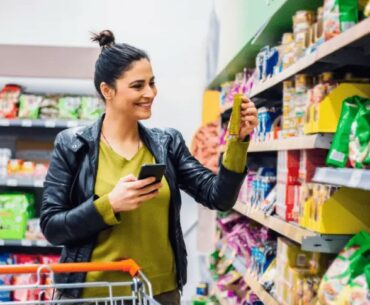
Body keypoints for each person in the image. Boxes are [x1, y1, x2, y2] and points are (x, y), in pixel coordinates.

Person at [40, 30, 258, 305]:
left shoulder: (167, 143)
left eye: (152, 83)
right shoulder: (72, 145)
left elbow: (219, 197)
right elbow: (52, 227)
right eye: (138, 85)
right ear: (107, 91)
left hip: (159, 294)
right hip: (92, 294)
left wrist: (238, 141)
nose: (150, 93)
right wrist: (110, 204)